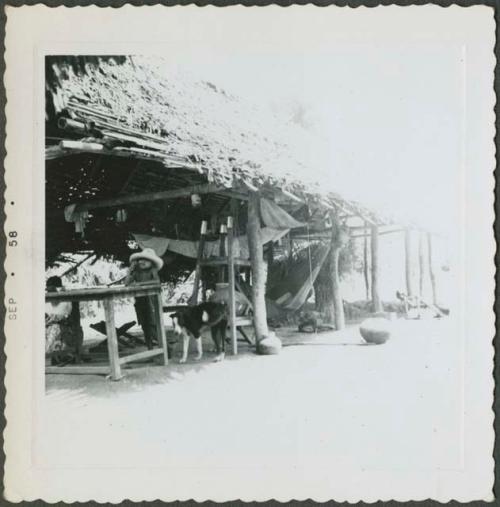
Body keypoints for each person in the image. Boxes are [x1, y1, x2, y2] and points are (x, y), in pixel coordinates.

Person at [124, 248, 164, 350]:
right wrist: (130, 270)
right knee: (144, 326)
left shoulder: (152, 270)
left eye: (146, 260)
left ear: (151, 262)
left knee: (152, 326)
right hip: (140, 301)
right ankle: (149, 349)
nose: (142, 262)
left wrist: (140, 284)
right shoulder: (136, 271)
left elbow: (157, 282)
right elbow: (126, 283)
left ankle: (166, 348)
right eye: (141, 259)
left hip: (151, 301)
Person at [45, 276, 82, 365]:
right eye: (49, 291)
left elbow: (69, 319)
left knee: (54, 328)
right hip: (53, 328)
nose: (50, 292)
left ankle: (49, 353)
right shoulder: (47, 301)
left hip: (66, 331)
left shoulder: (68, 298)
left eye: (52, 290)